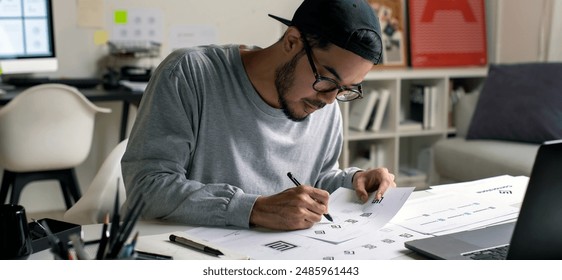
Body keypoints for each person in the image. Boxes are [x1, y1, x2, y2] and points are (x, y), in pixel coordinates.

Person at [121, 0, 396, 231]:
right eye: (327, 79)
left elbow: (317, 178)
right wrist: (255, 209)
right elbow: (146, 187)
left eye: (346, 89)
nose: (329, 99)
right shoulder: (189, 74)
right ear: (292, 41)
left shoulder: (323, 102)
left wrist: (353, 180)